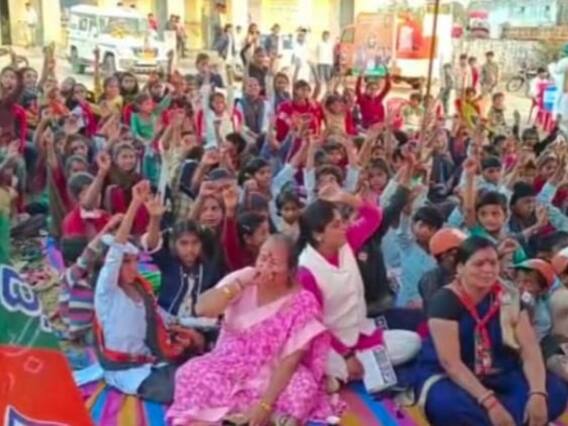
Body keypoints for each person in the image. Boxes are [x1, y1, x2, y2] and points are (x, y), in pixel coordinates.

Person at [167, 235, 342, 425]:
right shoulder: (244, 279)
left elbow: (290, 361)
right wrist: (237, 285)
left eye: (274, 263)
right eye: (263, 258)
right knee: (189, 372)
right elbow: (202, 308)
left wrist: (265, 405)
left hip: (273, 371)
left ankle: (253, 415)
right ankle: (252, 417)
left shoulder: (303, 301)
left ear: (291, 270)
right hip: (229, 364)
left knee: (303, 387)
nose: (265, 266)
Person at [415, 236, 568, 426]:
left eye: (493, 263)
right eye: (479, 264)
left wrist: (538, 393)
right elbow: (451, 363)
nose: (488, 270)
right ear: (460, 268)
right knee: (447, 405)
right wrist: (490, 403)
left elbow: (529, 349)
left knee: (556, 391)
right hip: (454, 377)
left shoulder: (509, 297)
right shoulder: (445, 301)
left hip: (501, 370)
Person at [297, 183, 421, 383]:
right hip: (330, 344)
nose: (344, 227)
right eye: (336, 225)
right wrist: (347, 356)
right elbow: (315, 326)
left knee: (412, 342)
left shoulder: (346, 242)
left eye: (342, 221)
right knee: (321, 360)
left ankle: (348, 373)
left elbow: (374, 217)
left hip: (359, 331)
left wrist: (344, 197)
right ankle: (349, 369)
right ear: (317, 234)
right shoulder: (306, 271)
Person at [94, 181, 197, 403]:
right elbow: (115, 251)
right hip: (124, 370)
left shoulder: (140, 288)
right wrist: (135, 203)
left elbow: (161, 318)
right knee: (175, 391)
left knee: (194, 374)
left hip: (151, 360)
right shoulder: (106, 292)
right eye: (126, 262)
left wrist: (192, 328)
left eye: (135, 261)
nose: (133, 267)